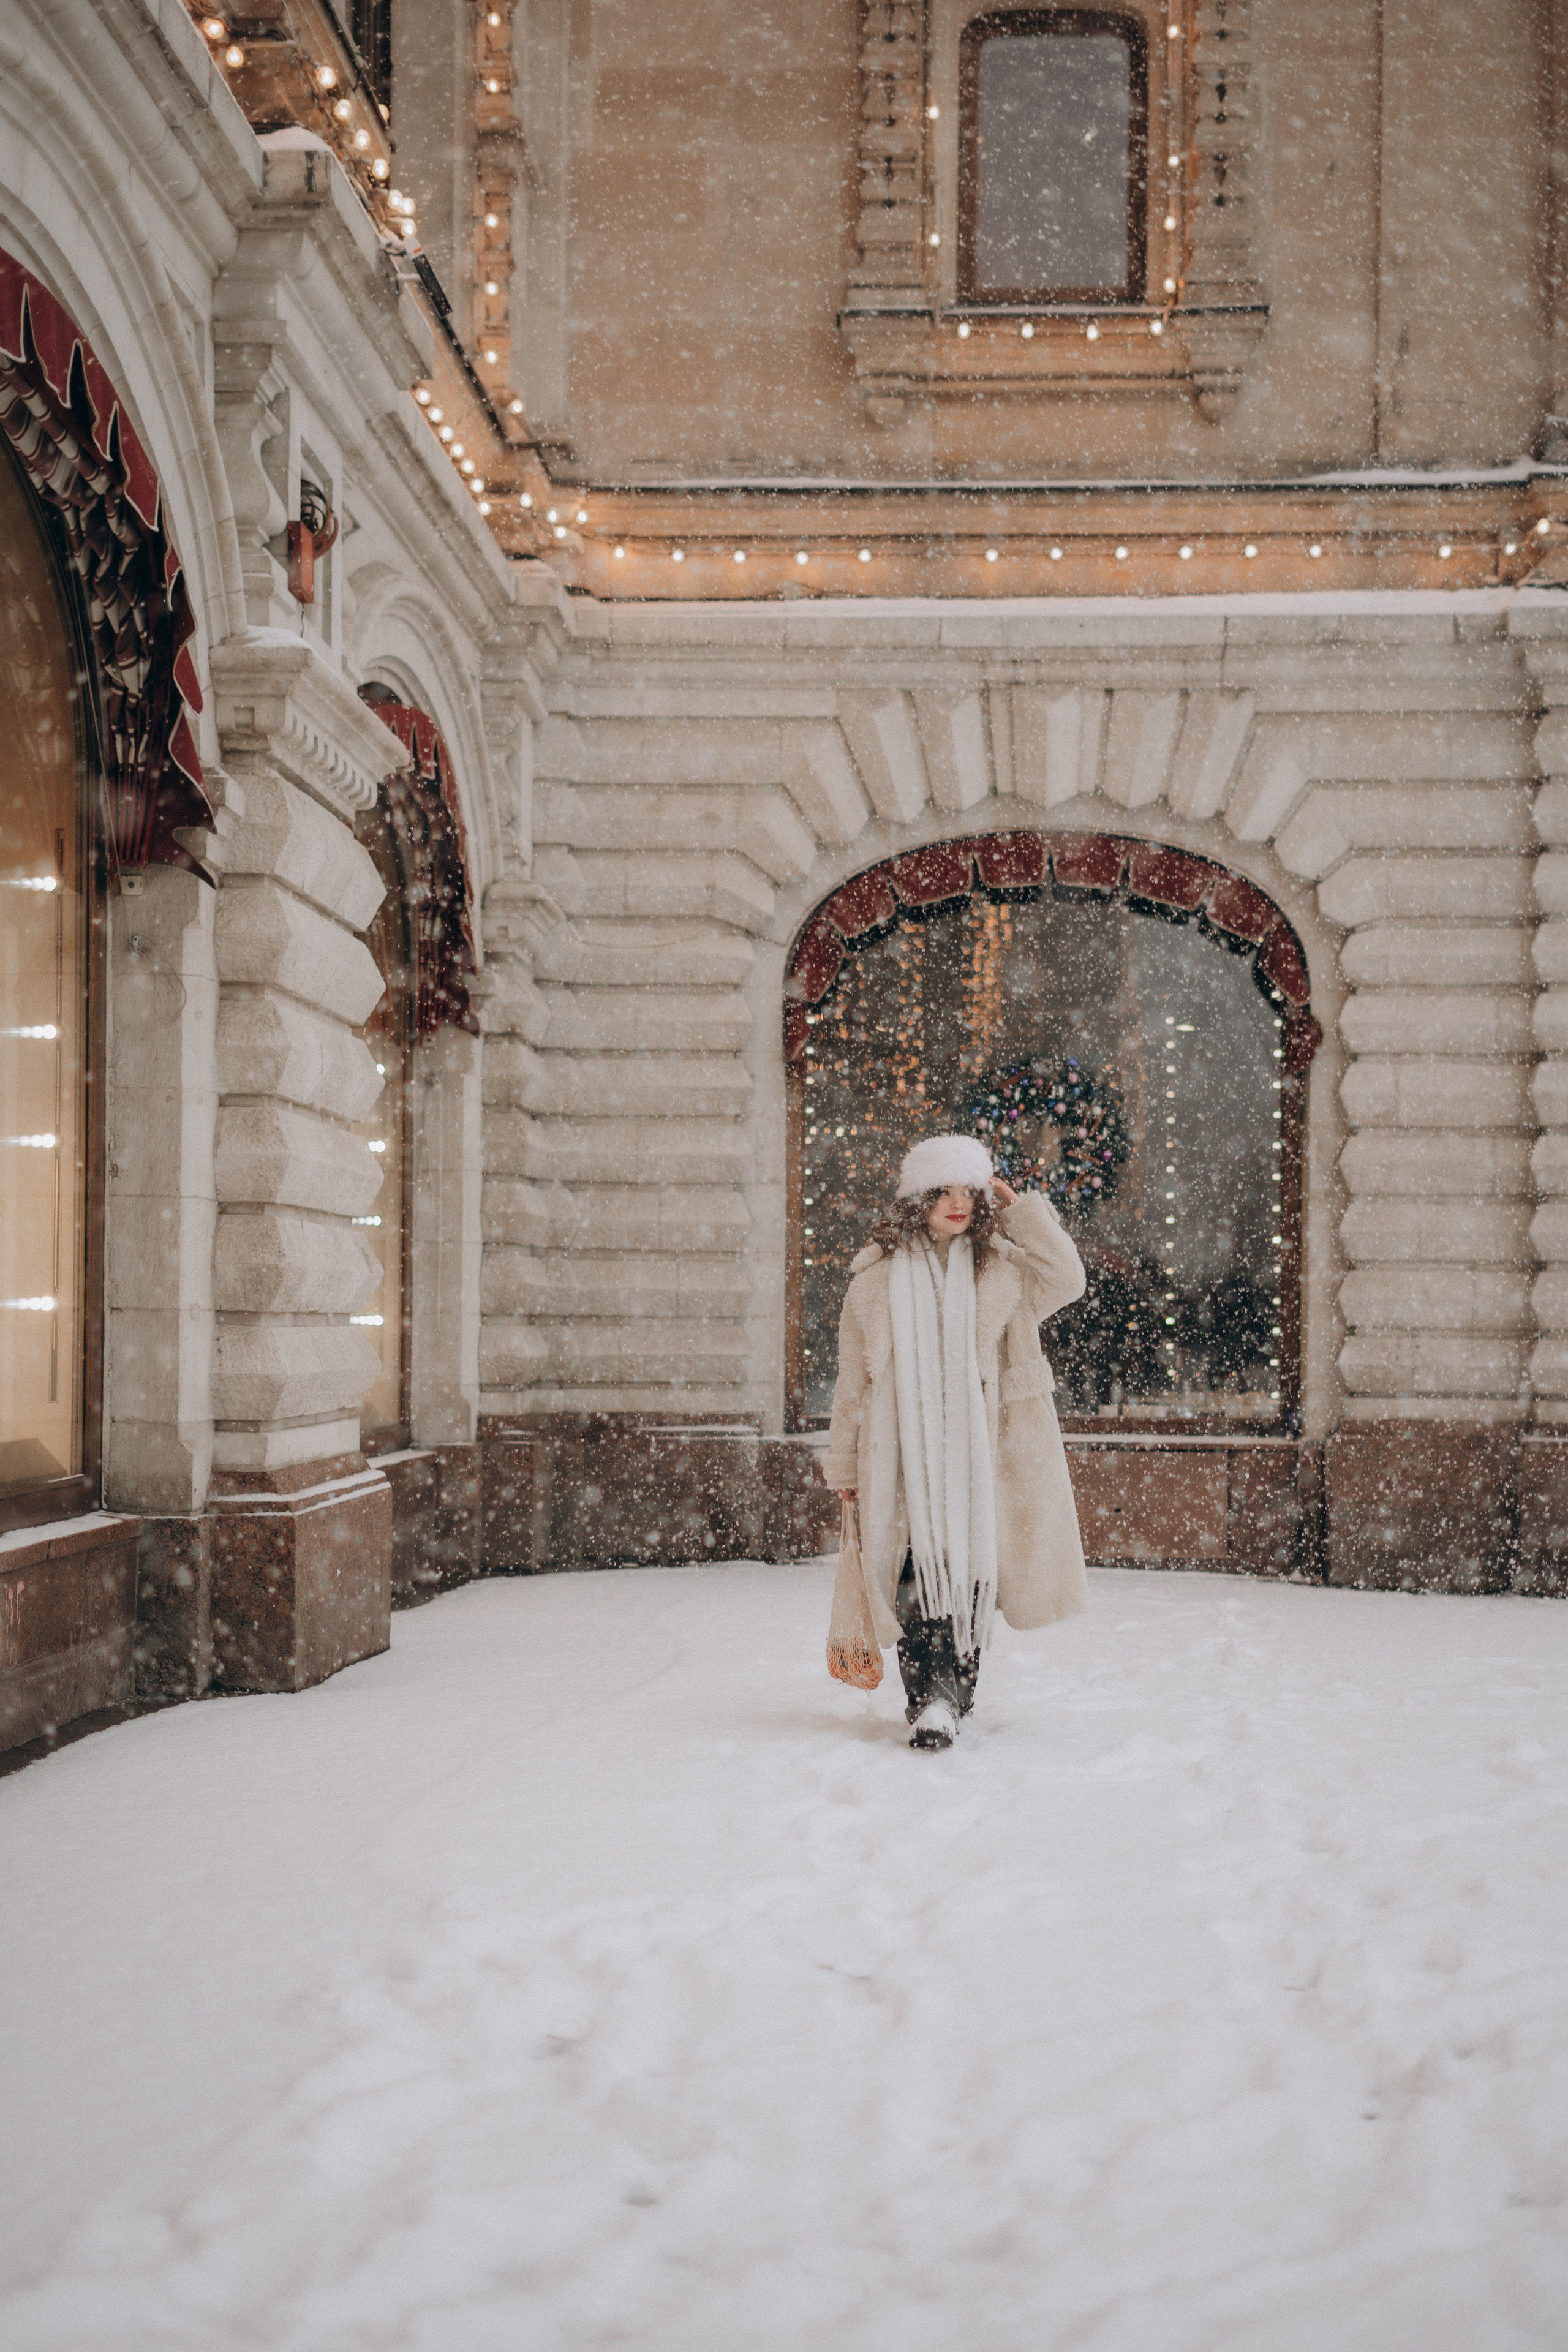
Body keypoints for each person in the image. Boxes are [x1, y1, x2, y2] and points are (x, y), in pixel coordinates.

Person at [823, 1133, 1090, 1751]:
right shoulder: (874, 1281)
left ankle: (954, 1695)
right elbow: (850, 1382)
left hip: (980, 1456)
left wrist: (1023, 1212)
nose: (957, 1203)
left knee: (970, 1576)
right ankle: (930, 1702)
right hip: (901, 1457)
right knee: (913, 1576)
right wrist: (843, 1459)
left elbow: (1067, 1279)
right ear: (916, 1200)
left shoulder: (1001, 1268)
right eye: (941, 1191)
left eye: (967, 1190)